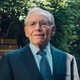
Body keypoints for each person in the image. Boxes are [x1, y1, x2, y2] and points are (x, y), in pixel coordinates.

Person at [0, 7, 79, 80]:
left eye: (43, 23)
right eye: (32, 24)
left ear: (53, 30)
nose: (37, 28)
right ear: (26, 31)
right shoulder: (10, 60)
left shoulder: (68, 60)